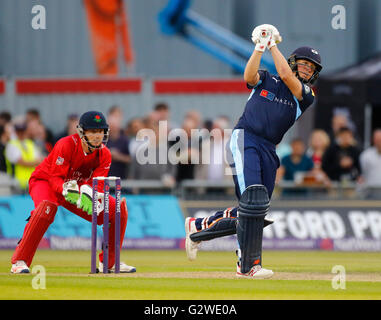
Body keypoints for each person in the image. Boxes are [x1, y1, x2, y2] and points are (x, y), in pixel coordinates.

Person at [184, 24, 322, 279]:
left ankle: (199, 227)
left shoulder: (306, 94)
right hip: (245, 138)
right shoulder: (268, 79)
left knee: (256, 208)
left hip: (269, 148)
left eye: (310, 67)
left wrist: (271, 44)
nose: (306, 69)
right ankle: (247, 266)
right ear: (294, 63)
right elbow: (248, 77)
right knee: (252, 200)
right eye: (302, 64)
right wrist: (260, 47)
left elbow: (286, 74)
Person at [10, 111, 136, 274]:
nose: (97, 136)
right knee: (45, 209)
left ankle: (109, 263)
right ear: (82, 132)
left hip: (76, 189)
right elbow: (55, 178)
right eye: (92, 131)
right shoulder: (66, 144)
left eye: (100, 131)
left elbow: (96, 185)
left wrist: (89, 195)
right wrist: (67, 189)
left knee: (116, 209)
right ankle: (20, 261)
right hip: (46, 181)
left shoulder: (105, 154)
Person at [106, 106, 131, 179]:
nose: (115, 120)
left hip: (122, 182)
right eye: (113, 116)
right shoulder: (101, 138)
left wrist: (119, 157)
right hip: (103, 182)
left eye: (118, 117)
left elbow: (133, 160)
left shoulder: (126, 139)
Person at [359, 129, 381, 198]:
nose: (379, 142)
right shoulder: (366, 155)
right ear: (373, 140)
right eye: (377, 140)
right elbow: (362, 174)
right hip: (370, 192)